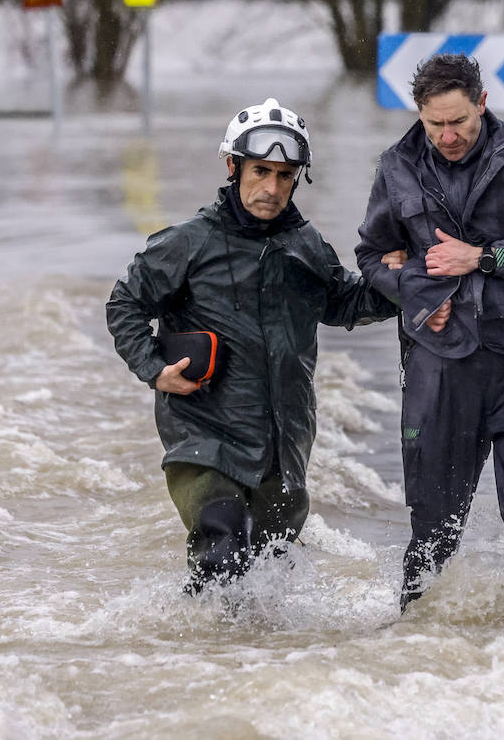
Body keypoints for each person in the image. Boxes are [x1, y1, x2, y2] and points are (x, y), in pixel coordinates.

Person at [106, 99, 398, 594]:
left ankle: (252, 665)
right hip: (204, 434)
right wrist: (154, 368)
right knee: (223, 553)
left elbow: (348, 303)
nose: (272, 188)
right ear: (232, 167)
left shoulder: (306, 246)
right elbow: (125, 304)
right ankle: (194, 655)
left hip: (285, 441)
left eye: (285, 176)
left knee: (268, 580)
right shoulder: (187, 243)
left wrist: (405, 275)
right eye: (261, 171)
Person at [355, 53, 504, 611]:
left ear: (483, 102)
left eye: (459, 120)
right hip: (439, 369)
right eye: (435, 123)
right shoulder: (396, 166)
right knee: (433, 528)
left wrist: (482, 258)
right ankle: (409, 637)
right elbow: (370, 256)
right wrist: (418, 297)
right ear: (419, 112)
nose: (448, 135)